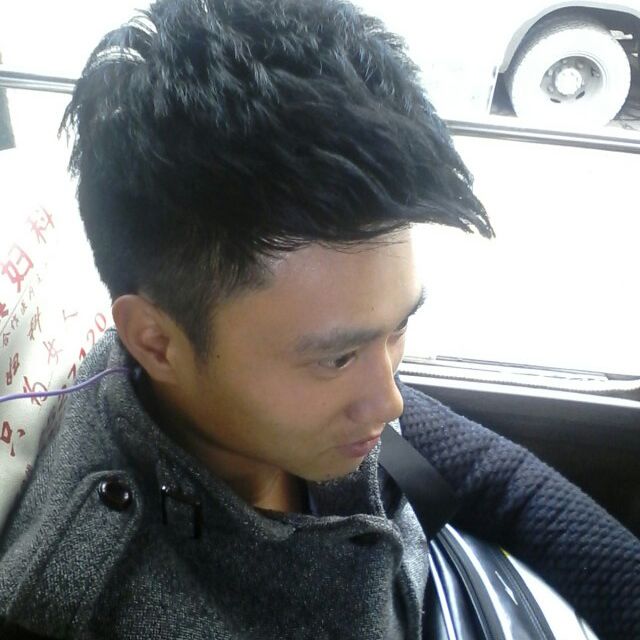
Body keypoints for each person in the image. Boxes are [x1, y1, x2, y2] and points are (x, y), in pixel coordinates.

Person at [0, 0, 638, 638]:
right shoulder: (103, 608)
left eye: (398, 329)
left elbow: (505, 484)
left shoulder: (287, 378)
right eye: (338, 357)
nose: (390, 402)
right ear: (157, 343)